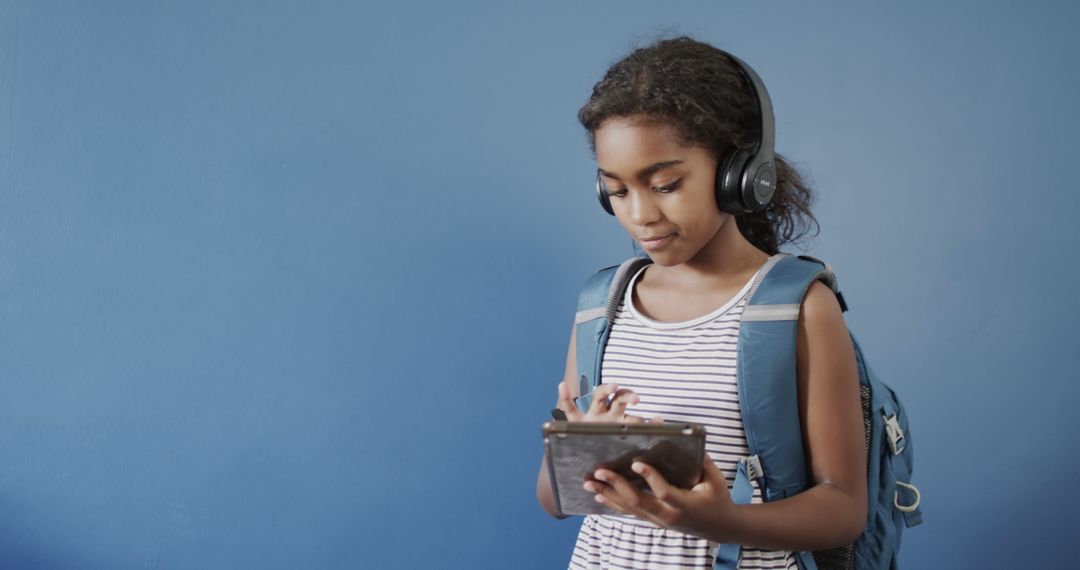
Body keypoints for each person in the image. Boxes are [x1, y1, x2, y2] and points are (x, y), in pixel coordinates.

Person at [535, 36, 867, 569]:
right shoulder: (601, 306)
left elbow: (844, 510)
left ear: (738, 175)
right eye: (617, 191)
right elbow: (553, 501)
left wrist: (714, 520)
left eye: (665, 184)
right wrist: (584, 454)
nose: (639, 214)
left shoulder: (796, 307)